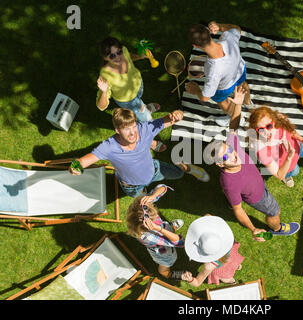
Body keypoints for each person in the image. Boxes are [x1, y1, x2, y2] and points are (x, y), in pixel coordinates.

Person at [204, 87, 300, 240]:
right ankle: (277, 227)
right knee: (274, 211)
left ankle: (231, 199)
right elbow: (239, 210)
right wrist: (253, 228)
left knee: (234, 197)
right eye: (225, 157)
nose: (232, 155)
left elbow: (233, 126)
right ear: (220, 165)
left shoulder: (232, 146)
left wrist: (238, 104)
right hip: (257, 196)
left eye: (228, 150)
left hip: (257, 182)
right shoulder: (230, 182)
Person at [69, 108, 210, 197]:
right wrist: (75, 166)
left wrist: (177, 114)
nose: (132, 133)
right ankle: (146, 193)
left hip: (154, 170)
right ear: (118, 130)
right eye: (126, 129)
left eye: (133, 126)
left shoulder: (144, 129)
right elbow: (84, 161)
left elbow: (169, 120)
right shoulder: (109, 147)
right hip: (132, 186)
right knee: (143, 199)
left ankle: (188, 167)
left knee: (178, 173)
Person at [96, 37, 165, 152]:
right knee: (147, 122)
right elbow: (101, 106)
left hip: (138, 86)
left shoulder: (124, 50)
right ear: (105, 58)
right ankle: (150, 143)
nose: (118, 57)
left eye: (118, 52)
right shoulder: (106, 75)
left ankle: (144, 109)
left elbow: (129, 57)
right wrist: (104, 91)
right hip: (129, 101)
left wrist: (141, 56)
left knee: (141, 106)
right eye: (112, 56)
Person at [246, 106, 303, 188]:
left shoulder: (279, 120)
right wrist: (289, 158)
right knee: (295, 171)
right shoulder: (261, 149)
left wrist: (302, 139)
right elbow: (279, 175)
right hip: (285, 162)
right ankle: (287, 176)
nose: (266, 132)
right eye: (261, 129)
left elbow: (291, 131)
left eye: (269, 126)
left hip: (298, 146)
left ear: (274, 120)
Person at [185, 21, 252, 126]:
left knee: (221, 100)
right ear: (209, 31)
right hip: (240, 70)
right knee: (243, 86)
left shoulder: (213, 71)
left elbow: (206, 97)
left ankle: (239, 118)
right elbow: (236, 28)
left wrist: (196, 90)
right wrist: (220, 26)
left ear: (195, 46)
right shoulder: (228, 39)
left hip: (225, 87)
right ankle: (249, 104)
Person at [126, 183, 189, 280]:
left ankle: (170, 228)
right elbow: (179, 242)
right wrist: (158, 229)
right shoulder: (147, 237)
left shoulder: (141, 208)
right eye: (155, 217)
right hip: (164, 253)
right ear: (147, 226)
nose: (157, 216)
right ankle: (169, 274)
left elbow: (163, 187)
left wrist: (153, 196)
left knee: (166, 228)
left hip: (161, 229)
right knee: (164, 266)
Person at [182, 215, 245, 286]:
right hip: (232, 256)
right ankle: (238, 266)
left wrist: (190, 279)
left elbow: (197, 283)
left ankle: (231, 280)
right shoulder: (227, 239)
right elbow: (208, 216)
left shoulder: (209, 266)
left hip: (222, 270)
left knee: (226, 277)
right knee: (234, 263)